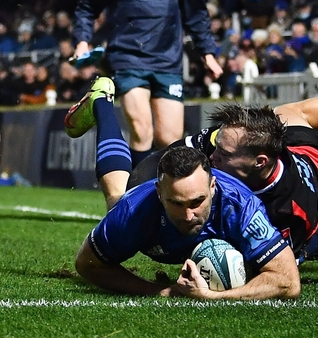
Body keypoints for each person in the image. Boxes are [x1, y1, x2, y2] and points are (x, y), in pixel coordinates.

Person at [118, 64, 318, 264]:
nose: (212, 158)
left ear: (259, 162)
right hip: (301, 150)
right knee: (288, 114)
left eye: (223, 155)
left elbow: (288, 263)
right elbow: (169, 158)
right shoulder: (230, 144)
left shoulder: (289, 212)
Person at [69, 88, 299, 299]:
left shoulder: (240, 205)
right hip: (149, 175)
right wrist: (162, 291)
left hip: (195, 170)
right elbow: (87, 264)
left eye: (197, 202)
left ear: (213, 187)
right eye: (177, 203)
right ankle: (102, 103)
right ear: (160, 195)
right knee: (117, 198)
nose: (189, 216)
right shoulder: (135, 210)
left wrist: (212, 296)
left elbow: (289, 282)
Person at [71, 0, 223, 168]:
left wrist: (207, 53)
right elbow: (87, 8)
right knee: (141, 131)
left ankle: (161, 191)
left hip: (167, 61)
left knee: (170, 139)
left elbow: (196, 13)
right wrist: (82, 41)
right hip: (128, 59)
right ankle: (137, 191)